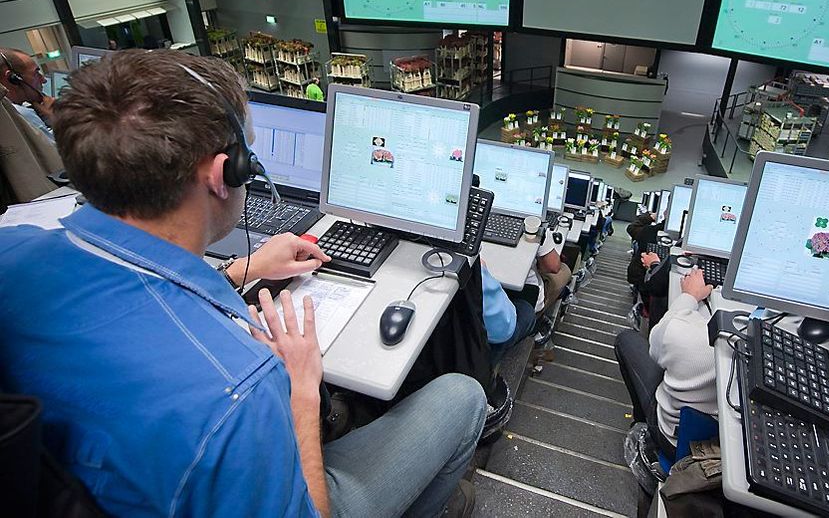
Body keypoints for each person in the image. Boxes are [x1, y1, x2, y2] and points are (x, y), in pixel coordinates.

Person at [0, 49, 486, 517]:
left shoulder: (13, 250)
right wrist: (299, 393)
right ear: (222, 173)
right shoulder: (238, 393)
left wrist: (241, 270)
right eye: (247, 153)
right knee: (463, 397)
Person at [615, 268, 717, 455]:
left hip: (671, 438)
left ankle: (643, 424)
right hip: (716, 451)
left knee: (626, 340)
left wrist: (689, 296)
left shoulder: (683, 333)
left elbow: (657, 347)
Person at [0, 48, 62, 211]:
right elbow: (62, 160)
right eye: (36, 74)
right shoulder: (22, 114)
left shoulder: (14, 111)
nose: (43, 80)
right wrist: (58, 121)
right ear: (12, 79)